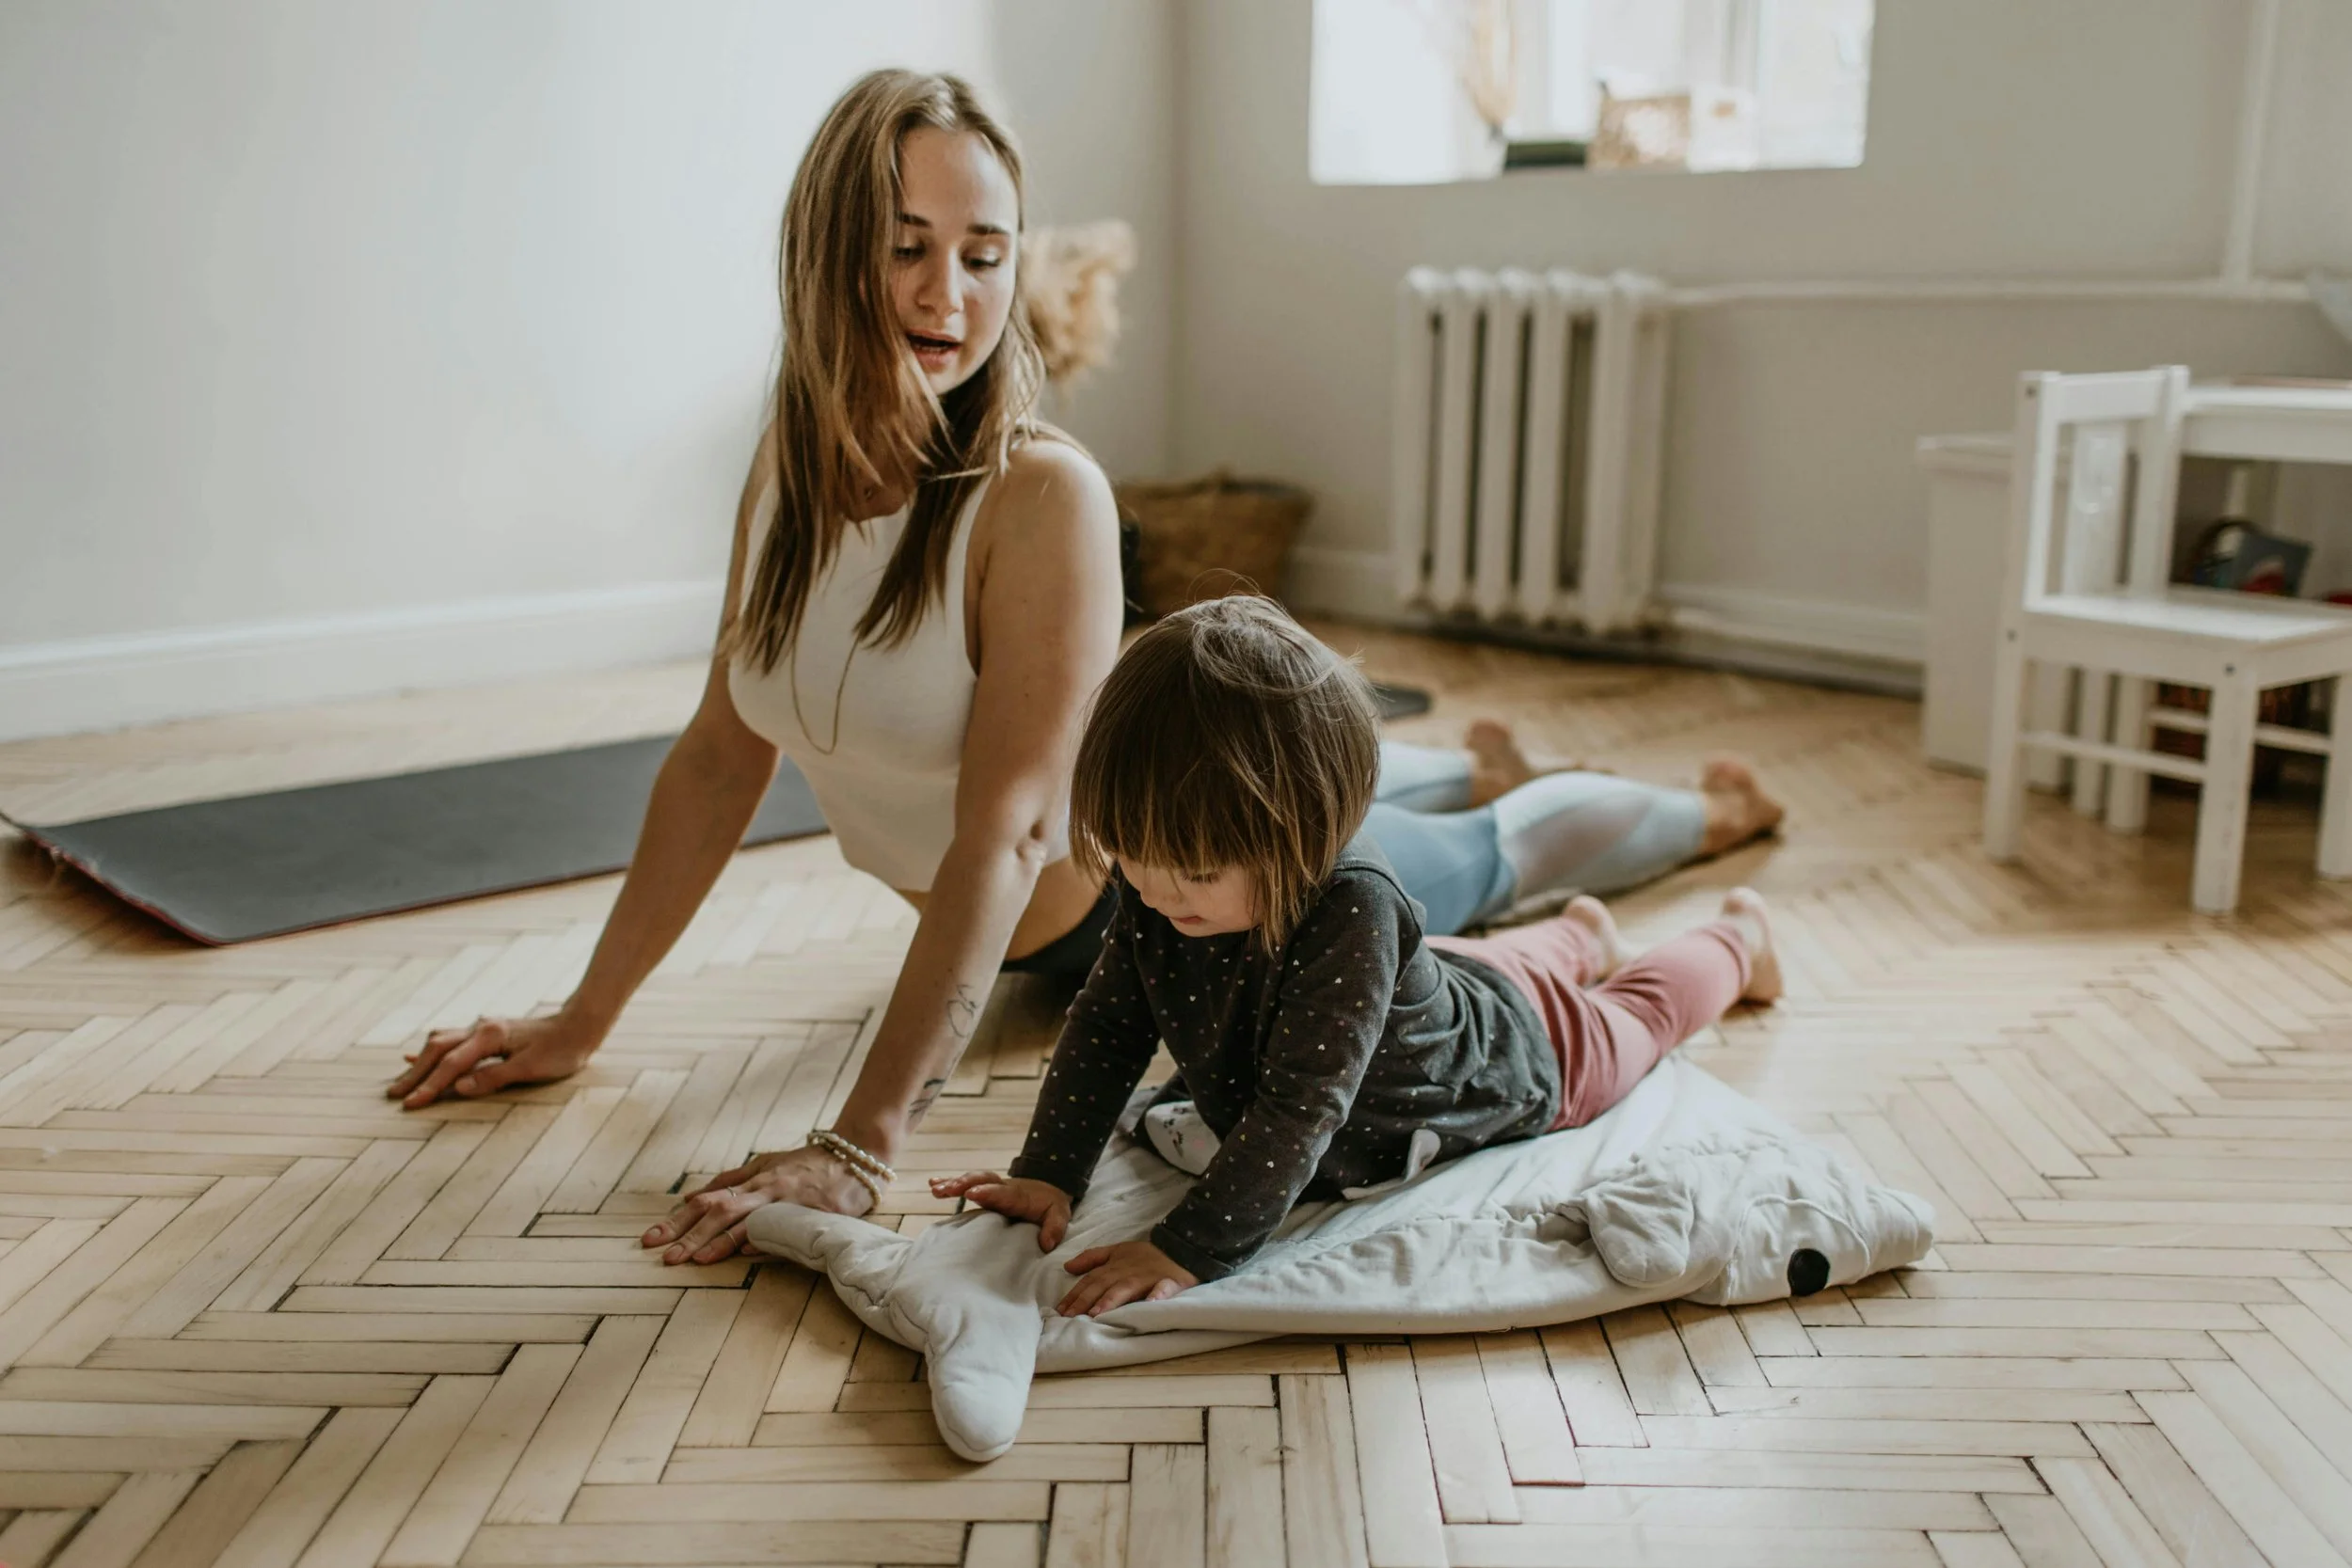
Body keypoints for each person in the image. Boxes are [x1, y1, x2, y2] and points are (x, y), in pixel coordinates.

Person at [386, 69, 1783, 1264]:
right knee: (1429, 822)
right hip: (1142, 862)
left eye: (985, 252)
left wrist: (860, 1145)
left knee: (1479, 853)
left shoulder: (1037, 494)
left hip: (1190, 895)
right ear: (824, 251)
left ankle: (1705, 822)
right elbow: (715, 756)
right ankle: (1469, 792)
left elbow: (1005, 833)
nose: (951, 293)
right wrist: (584, 1015)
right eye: (906, 246)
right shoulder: (787, 470)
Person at [931, 598, 1782, 1312]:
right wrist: (1049, 1169)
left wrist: (1187, 1247)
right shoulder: (1164, 884)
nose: (1152, 892)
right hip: (1440, 981)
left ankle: (1738, 939)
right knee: (1485, 966)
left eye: (1190, 871)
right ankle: (1583, 932)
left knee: (1637, 1013)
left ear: (1304, 834)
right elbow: (1110, 1024)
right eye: (1130, 857)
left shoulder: (1354, 908)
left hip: (1516, 1052)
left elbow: (1301, 1108)